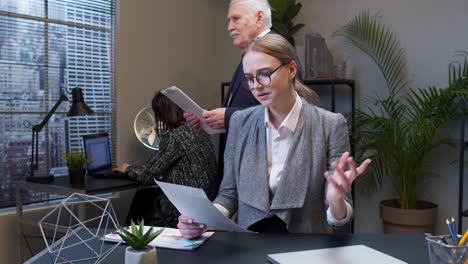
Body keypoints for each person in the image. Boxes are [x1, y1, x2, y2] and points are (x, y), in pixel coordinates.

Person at [177, 34, 371, 238]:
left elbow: (340, 217)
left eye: (264, 74)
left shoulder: (330, 125)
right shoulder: (239, 122)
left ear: (292, 70)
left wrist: (335, 200)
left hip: (304, 249)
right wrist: (203, 218)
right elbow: (228, 194)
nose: (256, 86)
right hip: (250, 247)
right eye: (250, 79)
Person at [114, 91, 218, 228]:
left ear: (160, 114)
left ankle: (130, 238)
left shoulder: (173, 137)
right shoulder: (199, 129)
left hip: (184, 206)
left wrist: (127, 168)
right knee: (144, 194)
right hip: (207, 200)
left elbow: (147, 175)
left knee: (142, 198)